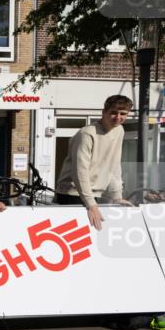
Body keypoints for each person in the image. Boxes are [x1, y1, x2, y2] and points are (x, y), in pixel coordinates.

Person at [55, 95, 134, 231]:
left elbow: (114, 164)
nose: (118, 117)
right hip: (72, 194)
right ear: (104, 112)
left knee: (95, 233)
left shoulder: (119, 131)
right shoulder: (87, 134)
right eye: (113, 113)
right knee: (78, 236)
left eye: (123, 114)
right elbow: (80, 171)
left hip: (95, 194)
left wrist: (117, 197)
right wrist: (91, 205)